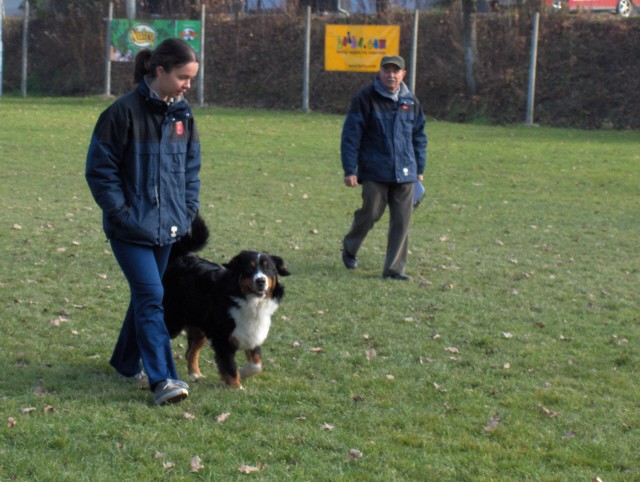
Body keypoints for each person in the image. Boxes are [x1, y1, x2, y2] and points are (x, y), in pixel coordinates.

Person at [85, 38, 201, 405]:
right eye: (183, 77)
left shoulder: (183, 115)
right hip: (129, 229)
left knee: (145, 296)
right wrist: (122, 214)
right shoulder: (120, 113)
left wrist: (186, 211)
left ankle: (124, 361)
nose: (187, 85)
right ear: (160, 71)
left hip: (168, 228)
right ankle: (163, 379)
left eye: (191, 79)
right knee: (153, 296)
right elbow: (100, 172)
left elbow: (190, 170)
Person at [340, 55, 427, 281]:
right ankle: (350, 247)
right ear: (379, 72)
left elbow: (419, 136)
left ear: (403, 74)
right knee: (369, 214)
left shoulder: (411, 101)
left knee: (402, 220)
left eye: (395, 71)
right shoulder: (365, 98)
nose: (391, 75)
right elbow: (351, 135)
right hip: (374, 171)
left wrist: (419, 167)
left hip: (406, 172)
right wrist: (350, 169)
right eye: (386, 70)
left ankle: (394, 270)